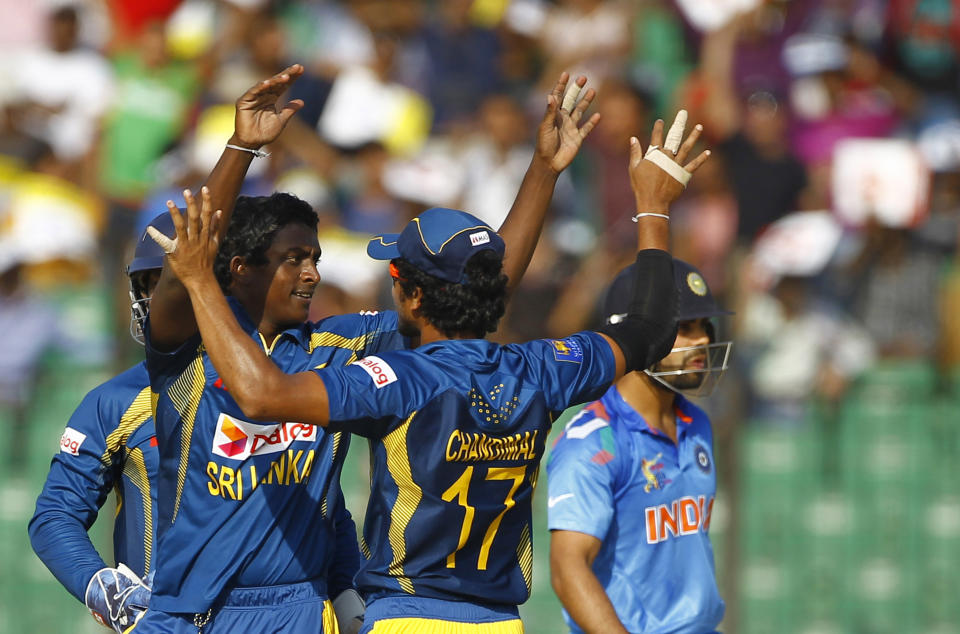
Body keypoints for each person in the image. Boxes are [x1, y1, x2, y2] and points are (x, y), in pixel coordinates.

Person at [152, 112, 709, 632]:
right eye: (294, 259)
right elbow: (652, 328)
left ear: (411, 295)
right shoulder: (542, 370)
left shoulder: (395, 376)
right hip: (499, 621)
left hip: (405, 616)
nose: (312, 273)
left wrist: (201, 277)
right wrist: (649, 207)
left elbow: (259, 394)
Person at [546, 258, 733, 634]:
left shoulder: (697, 424)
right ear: (636, 335)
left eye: (703, 327)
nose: (701, 341)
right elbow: (568, 572)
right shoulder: (593, 444)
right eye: (684, 329)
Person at [28, 214, 168, 633]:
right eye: (152, 282)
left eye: (177, 281)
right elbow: (56, 514)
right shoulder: (116, 400)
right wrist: (109, 593)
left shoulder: (276, 386)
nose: (162, 296)